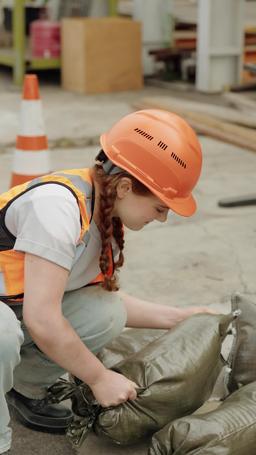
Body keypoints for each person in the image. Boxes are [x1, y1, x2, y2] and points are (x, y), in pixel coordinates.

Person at [0, 109, 211, 454]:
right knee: (2, 332)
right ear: (126, 187)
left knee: (107, 311)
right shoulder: (57, 208)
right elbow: (41, 318)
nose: (162, 218)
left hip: (14, 303)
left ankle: (23, 388)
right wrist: (99, 378)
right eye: (160, 208)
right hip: (9, 315)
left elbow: (89, 298)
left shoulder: (103, 213)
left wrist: (180, 317)